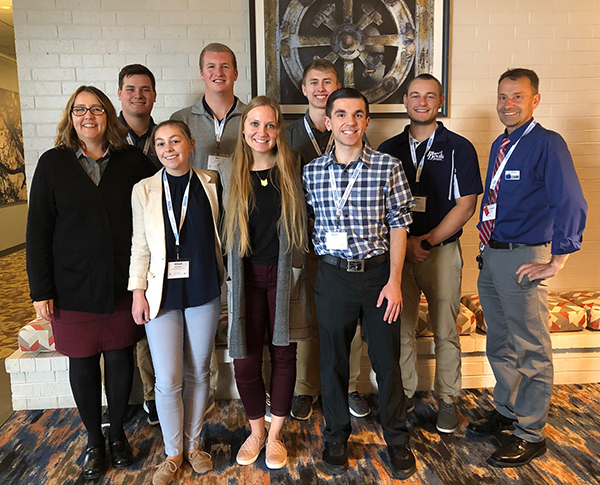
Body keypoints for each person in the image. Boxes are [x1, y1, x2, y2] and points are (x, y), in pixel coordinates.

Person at [25, 85, 156, 480]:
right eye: (79, 110)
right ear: (70, 116)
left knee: (120, 361)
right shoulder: (53, 163)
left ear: (108, 114)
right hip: (72, 288)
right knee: (82, 365)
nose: (88, 116)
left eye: (96, 109)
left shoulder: (133, 161)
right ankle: (93, 441)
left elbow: (159, 206)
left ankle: (117, 435)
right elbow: (38, 232)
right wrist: (40, 291)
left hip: (122, 285)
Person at [469, 68, 587, 467]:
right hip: (493, 254)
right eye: (503, 96)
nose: (508, 104)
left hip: (524, 258)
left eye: (517, 97)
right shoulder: (502, 144)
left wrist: (558, 258)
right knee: (500, 341)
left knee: (532, 348)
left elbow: (570, 199)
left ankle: (531, 432)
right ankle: (507, 409)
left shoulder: (547, 144)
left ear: (535, 99)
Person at [303, 88, 416, 479]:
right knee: (332, 360)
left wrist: (395, 281)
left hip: (378, 278)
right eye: (341, 115)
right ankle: (336, 435)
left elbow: (400, 223)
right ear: (327, 121)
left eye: (357, 115)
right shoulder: (312, 171)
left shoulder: (388, 166)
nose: (349, 122)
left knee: (387, 362)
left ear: (367, 121)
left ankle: (397, 440)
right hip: (332, 276)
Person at [378, 74, 483, 433]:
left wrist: (426, 241)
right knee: (401, 330)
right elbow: (379, 206)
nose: (422, 102)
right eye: (415, 96)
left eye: (430, 96)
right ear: (405, 101)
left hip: (440, 253)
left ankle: (449, 400)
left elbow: (466, 205)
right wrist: (406, 245)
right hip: (399, 255)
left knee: (445, 331)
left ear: (440, 101)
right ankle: (405, 394)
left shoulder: (460, 147)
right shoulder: (387, 149)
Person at [128, 120, 224, 485]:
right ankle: (173, 453)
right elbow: (139, 244)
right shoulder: (144, 189)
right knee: (167, 379)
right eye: (161, 143)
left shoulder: (212, 182)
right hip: (160, 294)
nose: (168, 148)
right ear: (155, 149)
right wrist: (137, 291)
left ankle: (195, 444)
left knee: (199, 372)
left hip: (203, 289)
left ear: (191, 143)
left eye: (175, 141)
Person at [219, 96, 310, 470]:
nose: (262, 132)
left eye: (270, 125)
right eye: (254, 124)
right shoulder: (228, 172)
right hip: (246, 279)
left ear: (279, 130)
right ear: (243, 130)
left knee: (284, 354)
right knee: (245, 359)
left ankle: (275, 436)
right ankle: (256, 431)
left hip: (285, 276)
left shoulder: (294, 167)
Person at [286, 58, 371, 421]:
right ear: (304, 89)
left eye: (328, 82)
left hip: (347, 250)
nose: (321, 88)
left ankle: (350, 386)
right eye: (314, 82)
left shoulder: (354, 132)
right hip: (304, 246)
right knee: (308, 318)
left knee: (347, 322)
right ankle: (305, 389)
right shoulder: (286, 136)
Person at [116, 63, 160, 427]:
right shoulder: (104, 135)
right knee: (116, 325)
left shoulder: (165, 137)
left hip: (157, 245)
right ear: (120, 94)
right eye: (131, 89)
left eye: (145, 89)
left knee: (150, 320)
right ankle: (119, 401)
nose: (138, 96)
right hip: (117, 244)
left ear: (154, 96)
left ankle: (151, 395)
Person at [171, 43, 245, 172]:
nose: (218, 73)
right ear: (202, 74)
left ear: (235, 74)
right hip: (195, 192)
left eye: (225, 67)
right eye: (211, 67)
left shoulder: (252, 118)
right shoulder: (181, 119)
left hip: (239, 192)